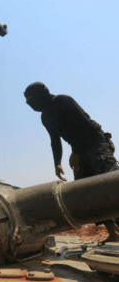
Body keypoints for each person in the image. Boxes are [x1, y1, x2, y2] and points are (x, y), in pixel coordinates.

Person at [24, 82, 119, 241]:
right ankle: (113, 232)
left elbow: (85, 125)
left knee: (110, 181)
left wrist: (75, 151)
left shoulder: (61, 100)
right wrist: (57, 163)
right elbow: (55, 140)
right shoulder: (45, 117)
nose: (30, 104)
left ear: (41, 95)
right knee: (86, 191)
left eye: (30, 99)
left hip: (96, 141)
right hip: (79, 149)